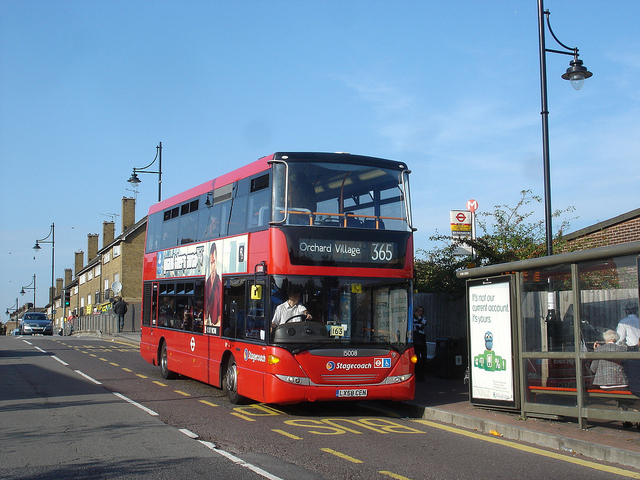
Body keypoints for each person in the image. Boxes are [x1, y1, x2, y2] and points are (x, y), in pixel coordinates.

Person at [205, 242, 222, 327]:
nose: (213, 266)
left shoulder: (219, 284)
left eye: (214, 262)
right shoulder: (207, 283)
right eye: (211, 263)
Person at [413, 306, 427, 381]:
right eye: (419, 311)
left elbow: (425, 323)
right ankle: (417, 374)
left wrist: (419, 318)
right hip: (416, 339)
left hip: (422, 338)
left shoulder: (422, 318)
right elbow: (414, 328)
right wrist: (420, 325)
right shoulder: (413, 319)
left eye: (421, 311)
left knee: (424, 357)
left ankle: (422, 375)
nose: (420, 312)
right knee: (417, 358)